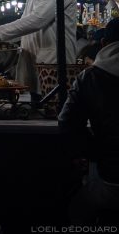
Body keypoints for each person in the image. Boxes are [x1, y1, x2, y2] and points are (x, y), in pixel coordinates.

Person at [58, 18, 119, 224]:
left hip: (109, 179)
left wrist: (91, 152)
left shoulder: (89, 77)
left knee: (75, 212)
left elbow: (67, 122)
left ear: (103, 44)